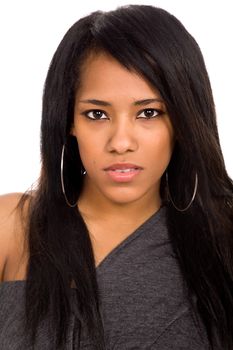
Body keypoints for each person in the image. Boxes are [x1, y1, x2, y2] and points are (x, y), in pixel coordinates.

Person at [0, 4, 232, 350]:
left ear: (183, 121)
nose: (121, 143)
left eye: (149, 113)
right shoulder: (13, 226)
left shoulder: (223, 238)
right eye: (96, 114)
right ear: (69, 122)